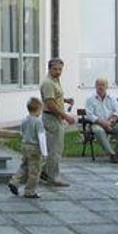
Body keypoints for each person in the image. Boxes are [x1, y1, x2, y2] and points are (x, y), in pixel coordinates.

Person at [40, 58, 76, 186]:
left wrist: (65, 100)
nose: (58, 71)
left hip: (55, 117)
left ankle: (44, 171)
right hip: (51, 117)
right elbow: (50, 104)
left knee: (54, 148)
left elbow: (54, 98)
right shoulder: (48, 83)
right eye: (55, 69)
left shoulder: (55, 81)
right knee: (55, 149)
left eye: (60, 69)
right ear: (49, 68)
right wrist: (66, 116)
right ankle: (53, 177)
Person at [84, 78, 118, 163]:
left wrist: (111, 122)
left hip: (111, 122)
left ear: (107, 86)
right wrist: (104, 124)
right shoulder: (90, 98)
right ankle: (111, 154)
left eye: (103, 85)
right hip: (97, 123)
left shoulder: (112, 98)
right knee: (99, 131)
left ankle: (117, 153)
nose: (101, 87)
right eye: (99, 85)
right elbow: (90, 115)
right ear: (95, 86)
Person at [8, 97, 48, 199]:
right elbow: (41, 138)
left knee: (24, 166)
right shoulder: (38, 122)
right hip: (34, 148)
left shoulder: (24, 120)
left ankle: (14, 181)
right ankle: (30, 191)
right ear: (38, 109)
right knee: (34, 170)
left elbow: (22, 133)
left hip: (25, 146)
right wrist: (44, 153)